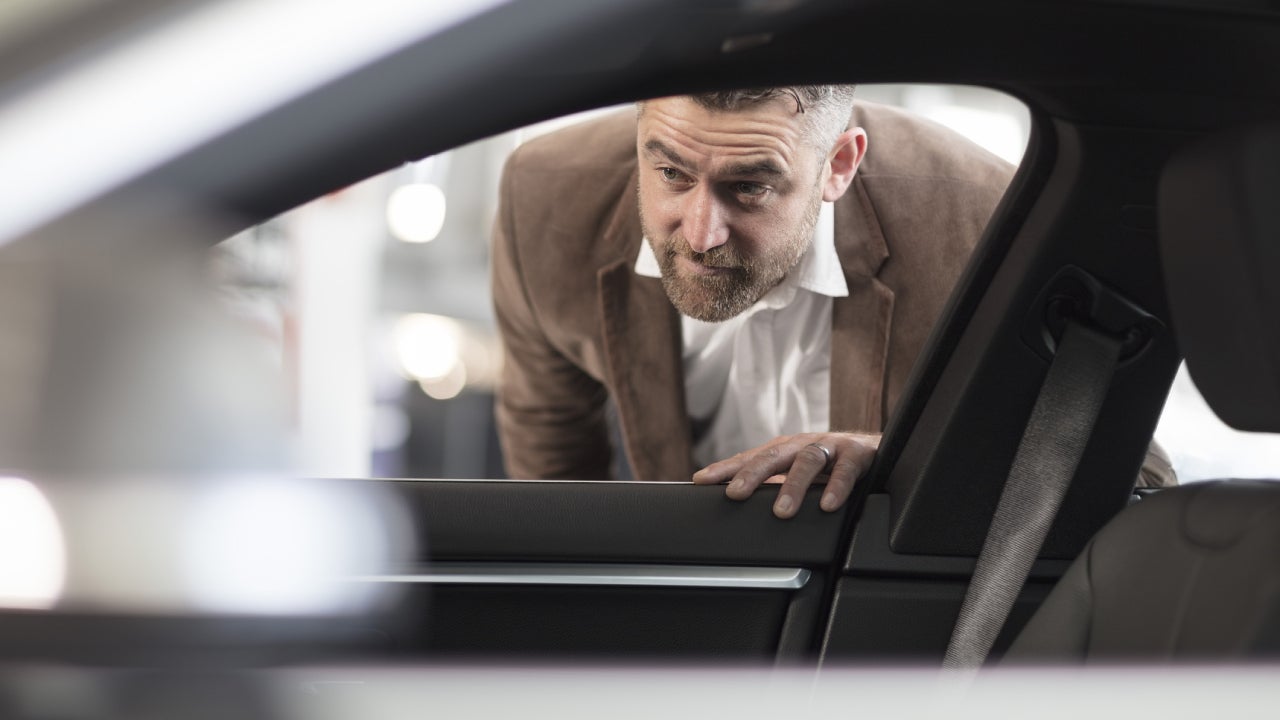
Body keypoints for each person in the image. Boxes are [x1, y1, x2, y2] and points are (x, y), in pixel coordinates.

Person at [491, 86, 1169, 519]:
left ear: (839, 165)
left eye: (750, 187)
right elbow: (552, 457)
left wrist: (902, 458)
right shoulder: (544, 201)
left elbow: (1138, 478)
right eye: (670, 172)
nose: (699, 235)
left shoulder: (986, 227)